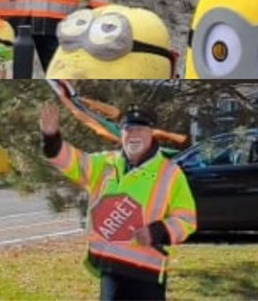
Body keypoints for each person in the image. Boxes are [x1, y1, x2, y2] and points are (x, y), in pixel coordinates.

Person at [40, 102, 196, 301]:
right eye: (128, 129)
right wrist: (51, 138)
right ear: (121, 134)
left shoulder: (170, 173)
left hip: (147, 270)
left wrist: (158, 231)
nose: (134, 135)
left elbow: (187, 219)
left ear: (151, 133)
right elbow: (70, 161)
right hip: (111, 266)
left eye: (140, 129)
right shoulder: (104, 163)